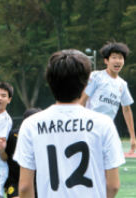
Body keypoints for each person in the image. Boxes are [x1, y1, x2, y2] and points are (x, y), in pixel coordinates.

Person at [14, 49, 125, 198]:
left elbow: (25, 187)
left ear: (50, 81)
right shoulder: (104, 124)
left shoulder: (30, 125)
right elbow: (113, 185)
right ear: (86, 84)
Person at [79, 42, 135, 153]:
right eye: (114, 57)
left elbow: (127, 109)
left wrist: (133, 136)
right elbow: (82, 101)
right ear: (106, 61)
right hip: (90, 127)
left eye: (120, 58)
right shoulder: (96, 77)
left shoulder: (122, 84)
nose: (118, 61)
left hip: (107, 129)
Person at [4, 108, 41, 198]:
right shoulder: (13, 137)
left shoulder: (44, 139)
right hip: (15, 181)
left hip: (37, 183)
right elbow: (4, 157)